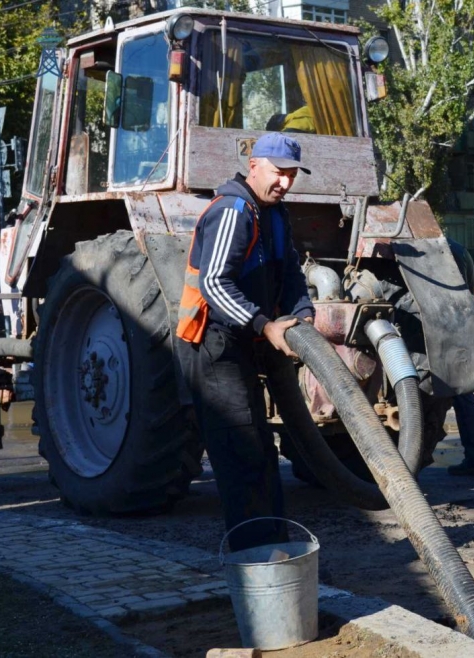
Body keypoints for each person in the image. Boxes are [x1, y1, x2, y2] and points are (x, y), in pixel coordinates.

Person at [176, 133, 315, 552]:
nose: (286, 183)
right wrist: (264, 325)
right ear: (254, 165)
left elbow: (289, 271)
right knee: (242, 454)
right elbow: (214, 283)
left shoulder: (274, 213)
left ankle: (278, 552)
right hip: (213, 346)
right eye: (278, 173)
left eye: (291, 175)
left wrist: (303, 315)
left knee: (261, 451)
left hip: (244, 341)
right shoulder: (233, 210)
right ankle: (257, 563)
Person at [445, 238, 474, 477]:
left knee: (462, 397)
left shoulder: (442, 250)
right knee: (464, 397)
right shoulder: (458, 248)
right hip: (461, 329)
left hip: (448, 331)